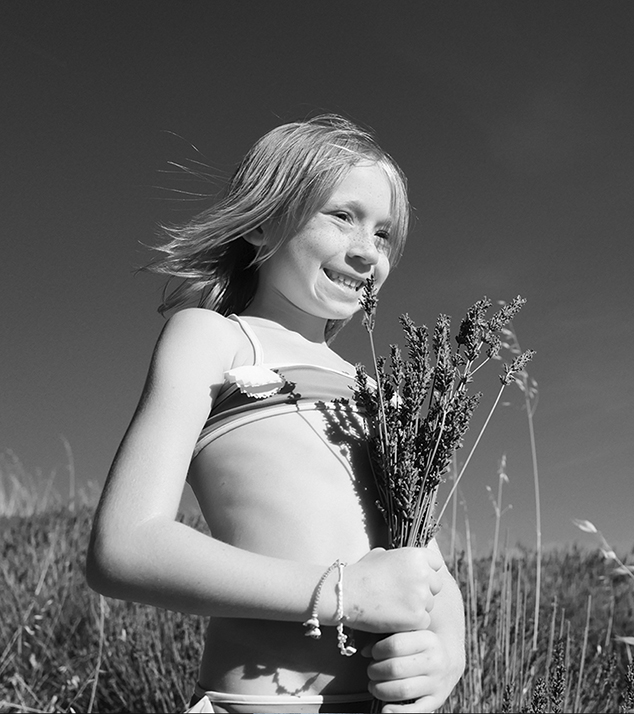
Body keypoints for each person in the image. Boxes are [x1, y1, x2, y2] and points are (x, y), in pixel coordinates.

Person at [87, 115, 466, 714]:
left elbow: (423, 563)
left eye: (386, 235)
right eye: (343, 215)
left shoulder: (377, 392)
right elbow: (124, 547)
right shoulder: (215, 339)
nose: (368, 250)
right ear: (264, 223)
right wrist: (345, 593)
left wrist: (448, 653)